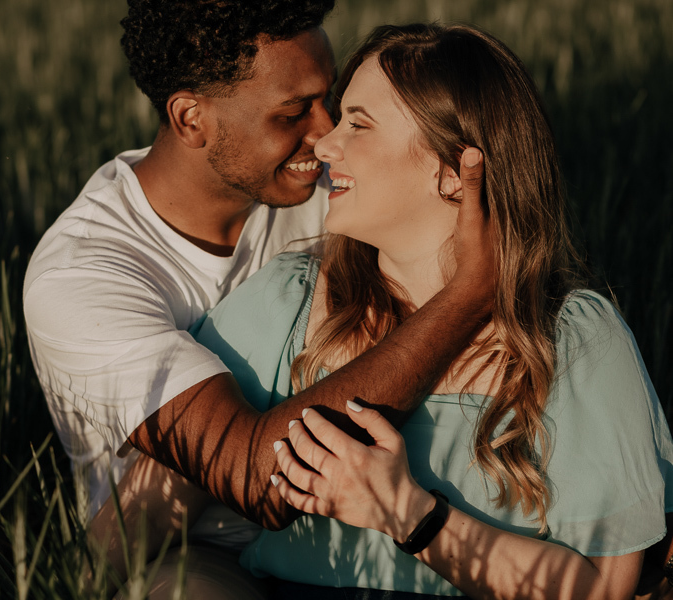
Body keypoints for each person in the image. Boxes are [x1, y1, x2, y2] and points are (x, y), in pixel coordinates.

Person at [177, 22, 673, 598]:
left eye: (358, 124)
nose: (325, 144)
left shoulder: (570, 337)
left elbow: (605, 586)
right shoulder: (288, 300)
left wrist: (410, 515)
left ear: (455, 170)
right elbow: (159, 498)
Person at [23, 1, 496, 595]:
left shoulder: (335, 186)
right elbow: (251, 479)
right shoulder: (83, 276)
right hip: (197, 550)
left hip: (377, 522)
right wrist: (465, 298)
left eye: (334, 103)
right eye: (294, 112)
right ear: (191, 117)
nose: (326, 136)